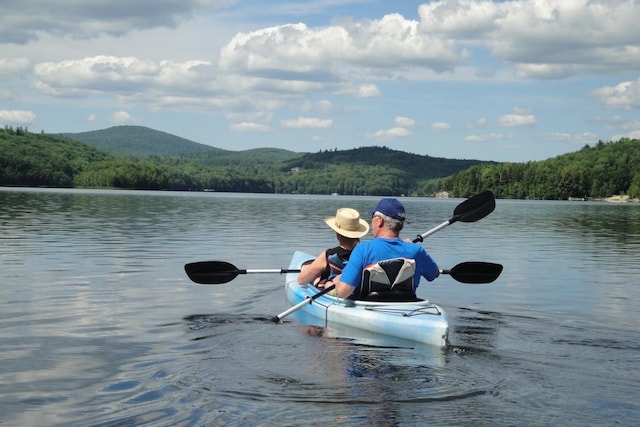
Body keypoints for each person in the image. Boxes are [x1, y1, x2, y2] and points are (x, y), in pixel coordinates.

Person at [329, 198, 439, 300]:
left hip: (366, 310)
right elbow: (434, 274)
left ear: (379, 220)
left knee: (332, 284)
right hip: (405, 308)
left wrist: (333, 285)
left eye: (372, 216)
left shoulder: (363, 250)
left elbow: (343, 293)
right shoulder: (417, 251)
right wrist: (409, 246)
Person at [297, 208, 369, 287]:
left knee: (314, 277)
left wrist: (306, 270)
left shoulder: (329, 255)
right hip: (354, 292)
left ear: (337, 234)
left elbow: (301, 280)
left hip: (333, 292)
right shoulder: (364, 255)